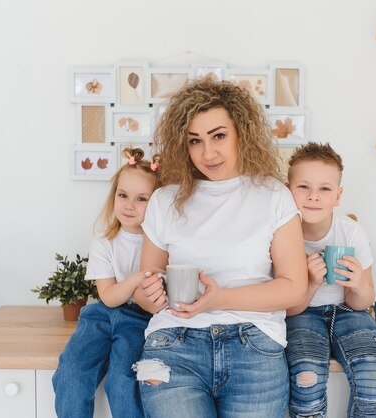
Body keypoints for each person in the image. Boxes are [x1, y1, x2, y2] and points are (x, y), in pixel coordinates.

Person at [132, 79, 308, 418]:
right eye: (194, 141)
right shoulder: (164, 200)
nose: (207, 153)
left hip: (255, 346)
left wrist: (221, 299)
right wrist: (148, 294)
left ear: (241, 132)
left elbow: (293, 288)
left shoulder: (273, 195)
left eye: (218, 136)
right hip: (170, 345)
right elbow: (146, 288)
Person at [52, 148, 162, 418]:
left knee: (124, 380)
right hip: (101, 315)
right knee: (72, 371)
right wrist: (138, 277)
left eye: (141, 199)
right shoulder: (104, 241)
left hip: (139, 319)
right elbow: (109, 297)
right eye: (122, 195)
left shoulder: (162, 244)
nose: (128, 205)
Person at [284, 142, 376, 418]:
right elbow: (286, 308)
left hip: (348, 312)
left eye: (324, 189)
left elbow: (362, 303)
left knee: (374, 372)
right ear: (288, 190)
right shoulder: (282, 236)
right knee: (306, 376)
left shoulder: (351, 233)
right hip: (301, 313)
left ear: (338, 196)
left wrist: (356, 284)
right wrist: (311, 283)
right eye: (303, 187)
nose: (313, 197)